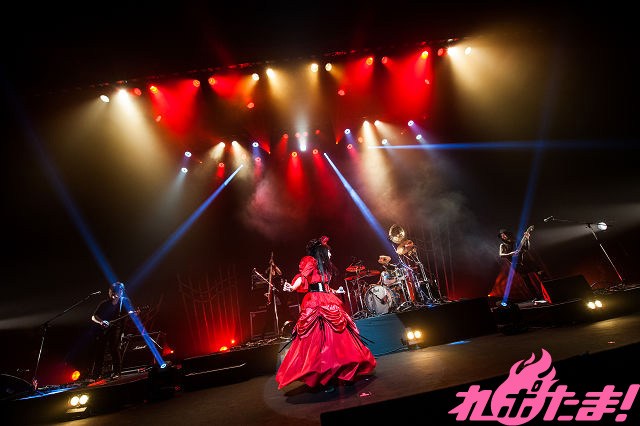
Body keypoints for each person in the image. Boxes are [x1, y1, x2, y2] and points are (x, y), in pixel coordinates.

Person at [276, 235, 376, 392]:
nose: (330, 254)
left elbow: (323, 286)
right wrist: (293, 287)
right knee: (321, 341)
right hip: (316, 302)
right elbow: (303, 276)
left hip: (327, 298)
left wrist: (336, 291)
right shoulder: (310, 261)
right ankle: (325, 377)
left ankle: (345, 372)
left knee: (339, 339)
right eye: (328, 251)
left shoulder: (325, 267)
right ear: (321, 251)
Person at [497, 228, 550, 303]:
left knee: (541, 273)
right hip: (518, 266)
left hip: (526, 262)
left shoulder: (516, 242)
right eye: (501, 235)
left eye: (504, 234)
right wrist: (510, 254)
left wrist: (527, 239)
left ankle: (549, 290)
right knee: (527, 282)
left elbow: (527, 248)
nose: (503, 236)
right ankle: (536, 297)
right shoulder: (503, 245)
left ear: (507, 234)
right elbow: (501, 255)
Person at [89, 282, 126, 380]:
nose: (113, 294)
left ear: (121, 292)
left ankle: (117, 372)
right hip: (103, 330)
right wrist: (101, 322)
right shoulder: (104, 303)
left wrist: (135, 314)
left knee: (114, 349)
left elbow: (131, 314)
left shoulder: (124, 302)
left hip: (117, 329)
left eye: (116, 291)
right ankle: (96, 375)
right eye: (111, 291)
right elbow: (94, 316)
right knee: (100, 351)